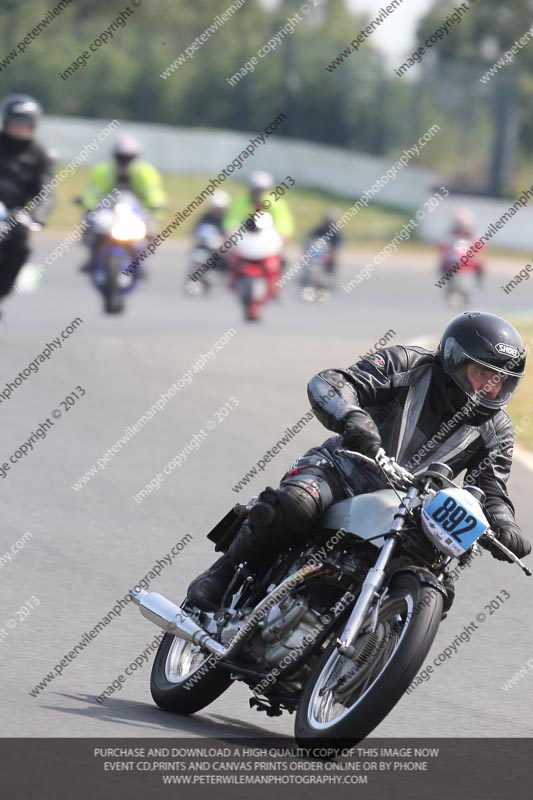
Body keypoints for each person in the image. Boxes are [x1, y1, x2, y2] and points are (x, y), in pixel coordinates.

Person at [187, 311, 531, 611]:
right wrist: (352, 416)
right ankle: (222, 574)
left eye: (501, 381)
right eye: (482, 374)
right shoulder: (406, 364)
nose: (490, 388)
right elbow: (332, 382)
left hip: (413, 510)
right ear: (455, 361)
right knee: (297, 503)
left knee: (437, 588)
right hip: (345, 470)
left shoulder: (498, 430)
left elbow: (491, 489)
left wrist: (505, 525)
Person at [79, 134, 167, 274]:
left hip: (135, 212)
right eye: (121, 157)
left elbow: (154, 192)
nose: (124, 161)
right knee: (90, 224)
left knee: (150, 230)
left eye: (128, 158)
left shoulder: (146, 173)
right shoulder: (104, 171)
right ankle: (92, 257)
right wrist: (87, 204)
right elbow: (91, 191)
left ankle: (140, 262)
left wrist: (156, 205)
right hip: (109, 211)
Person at [0, 94, 55, 309]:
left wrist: (38, 216)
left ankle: (1, 294)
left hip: (14, 215)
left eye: (24, 124)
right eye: (15, 123)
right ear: (6, 122)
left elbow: (46, 191)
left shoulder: (40, 154)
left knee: (20, 246)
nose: (19, 128)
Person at [223, 170, 295, 240]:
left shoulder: (276, 203)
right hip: (245, 237)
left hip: (268, 238)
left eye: (261, 189)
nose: (257, 192)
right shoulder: (241, 201)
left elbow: (283, 221)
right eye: (255, 189)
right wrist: (230, 232)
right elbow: (232, 219)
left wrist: (282, 235)